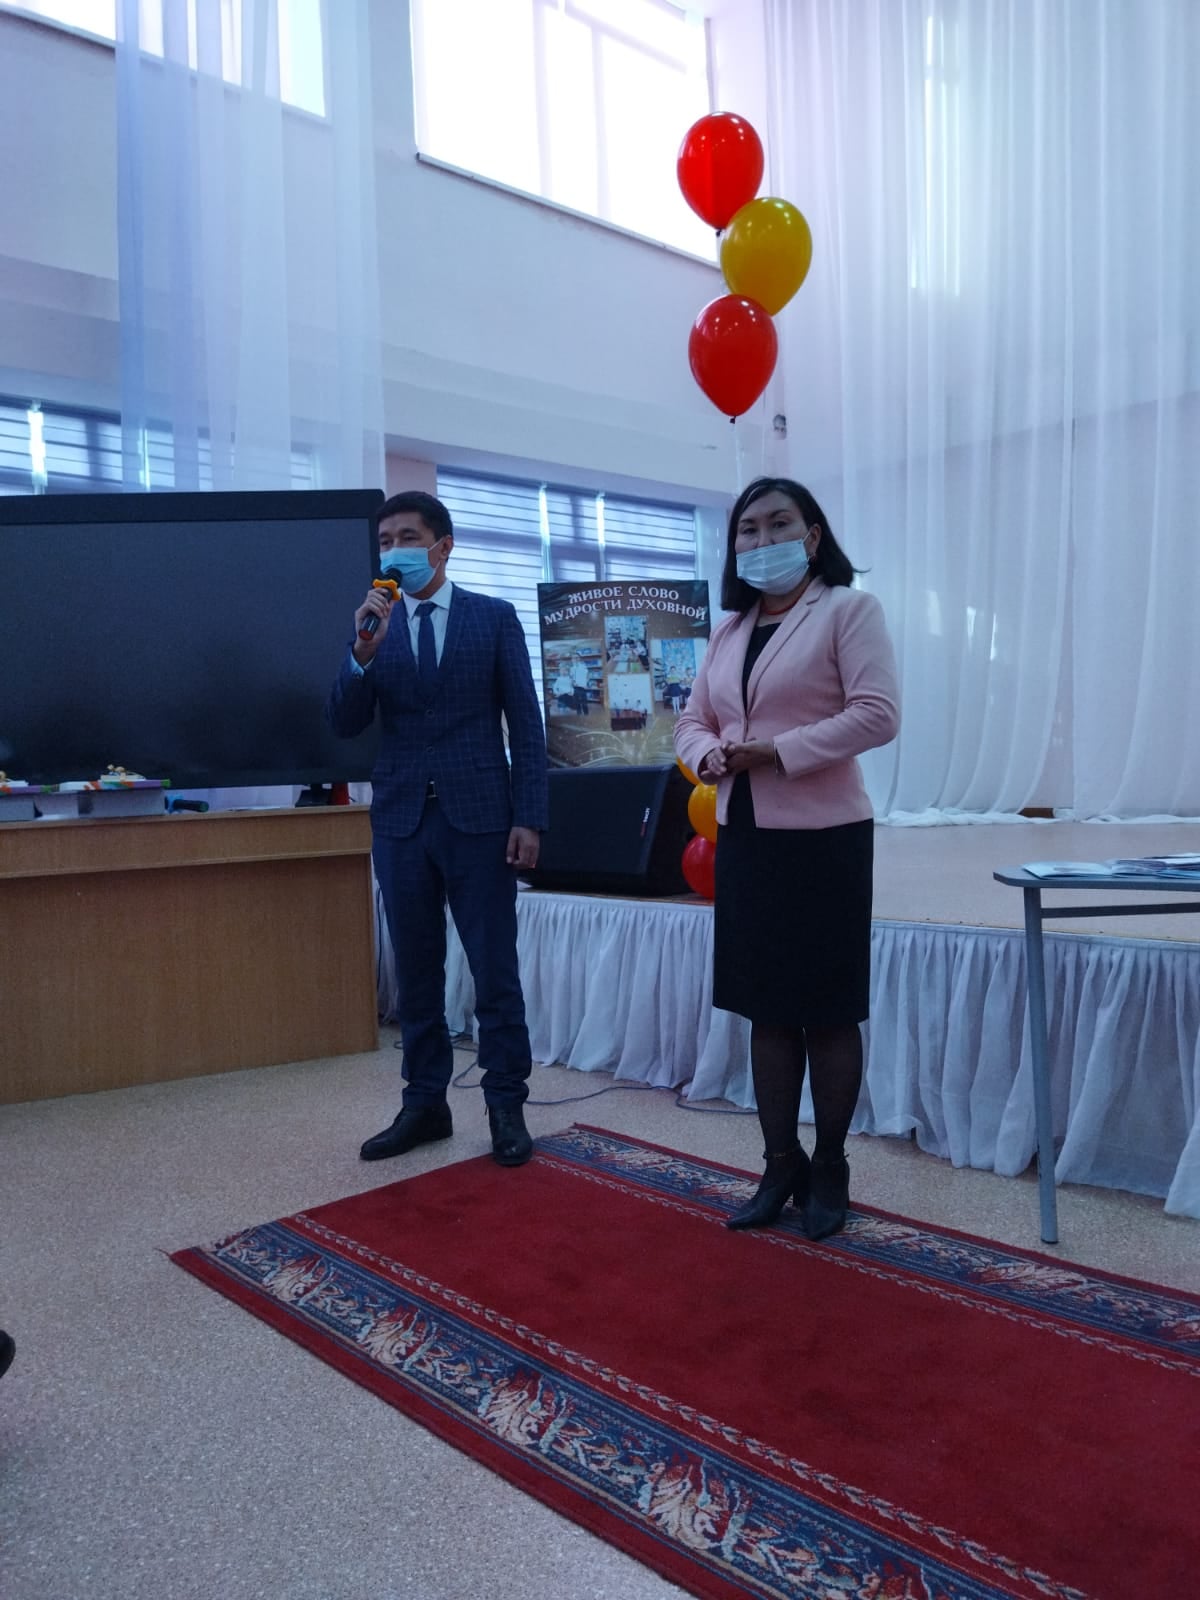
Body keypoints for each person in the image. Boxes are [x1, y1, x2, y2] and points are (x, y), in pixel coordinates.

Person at [675, 477, 899, 1240]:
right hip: (746, 838)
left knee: (827, 1010)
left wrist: (776, 752)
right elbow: (692, 720)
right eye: (748, 529)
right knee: (766, 1010)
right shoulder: (729, 630)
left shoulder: (847, 610)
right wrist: (707, 756)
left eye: (778, 524)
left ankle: (830, 1166)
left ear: (811, 535)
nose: (762, 540)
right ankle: (779, 1163)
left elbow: (877, 714)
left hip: (825, 838)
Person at [327, 490, 548, 1168]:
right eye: (385, 540)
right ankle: (424, 1104)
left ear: (443, 545)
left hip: (480, 819)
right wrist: (362, 652)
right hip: (401, 821)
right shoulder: (374, 624)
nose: (394, 550)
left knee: (493, 970)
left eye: (407, 536)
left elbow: (527, 725)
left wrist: (529, 817)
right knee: (416, 974)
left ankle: (505, 1105)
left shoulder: (493, 617)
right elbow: (343, 722)